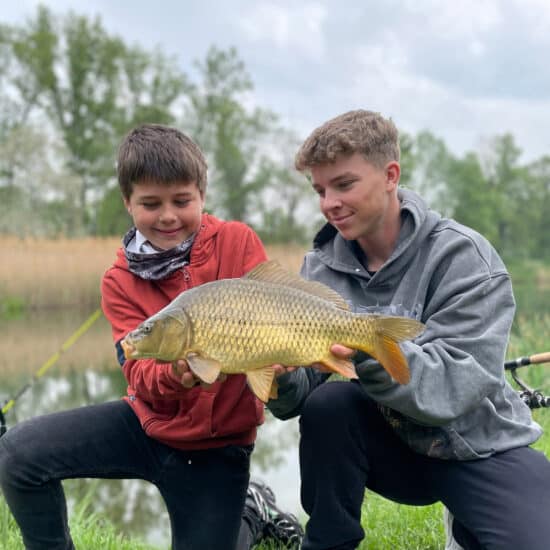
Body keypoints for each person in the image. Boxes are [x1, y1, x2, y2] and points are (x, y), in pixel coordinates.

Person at [0, 123, 303, 550]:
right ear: (128, 202)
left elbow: (274, 311)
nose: (167, 215)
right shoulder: (119, 280)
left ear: (201, 194)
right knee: (17, 454)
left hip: (218, 447)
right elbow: (136, 368)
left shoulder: (236, 243)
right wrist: (176, 376)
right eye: (150, 203)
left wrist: (283, 355)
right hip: (147, 425)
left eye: (182, 201)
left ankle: (251, 512)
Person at [267, 109, 550, 550]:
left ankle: (468, 518)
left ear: (390, 175)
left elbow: (458, 384)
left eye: (344, 185)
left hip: (475, 445)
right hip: (389, 452)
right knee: (328, 405)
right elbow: (306, 392)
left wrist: (367, 349)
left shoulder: (465, 257)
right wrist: (282, 377)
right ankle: (326, 542)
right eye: (320, 190)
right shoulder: (317, 269)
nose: (329, 203)